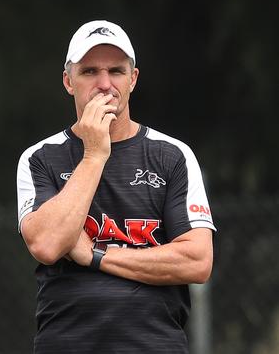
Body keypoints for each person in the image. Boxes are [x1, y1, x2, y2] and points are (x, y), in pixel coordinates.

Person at [16, 20, 215, 353]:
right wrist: (94, 155)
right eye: (90, 71)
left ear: (133, 79)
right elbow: (47, 244)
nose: (105, 84)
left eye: (117, 71)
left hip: (155, 345)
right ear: (68, 81)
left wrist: (96, 256)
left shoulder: (173, 155)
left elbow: (197, 261)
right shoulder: (40, 158)